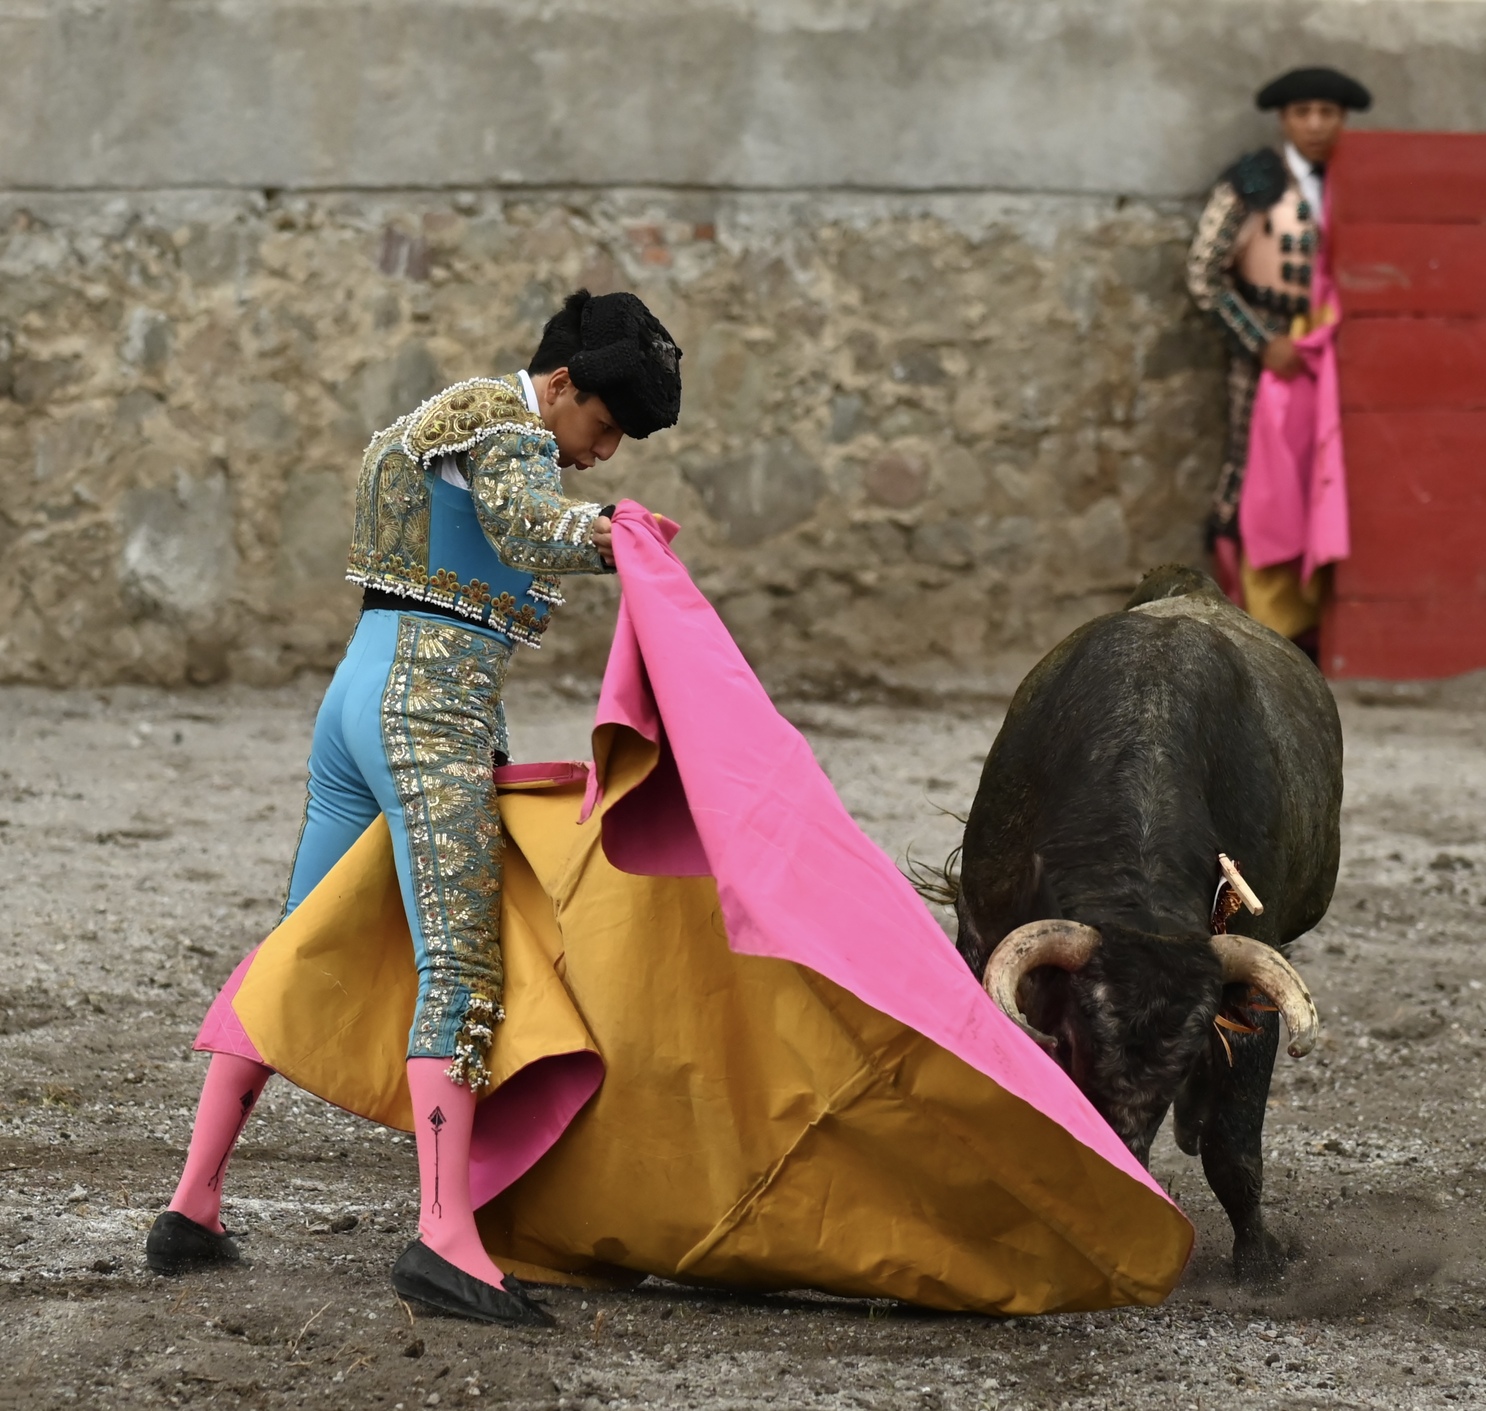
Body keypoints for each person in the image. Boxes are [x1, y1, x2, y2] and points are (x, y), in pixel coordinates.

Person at [145, 289, 683, 1325]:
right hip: (428, 708)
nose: (604, 450)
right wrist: (620, 535)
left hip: (355, 694)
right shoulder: (513, 428)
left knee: (299, 941)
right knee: (462, 965)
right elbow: (526, 526)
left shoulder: (439, 415)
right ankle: (442, 1236)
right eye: (604, 423)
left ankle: (193, 1202)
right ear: (560, 385)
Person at [1186, 66, 1371, 657]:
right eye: (1303, 112)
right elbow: (1203, 274)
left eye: (1328, 113)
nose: (1316, 124)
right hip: (1268, 347)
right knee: (1249, 471)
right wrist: (1261, 341)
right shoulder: (1252, 181)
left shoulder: (1359, 179)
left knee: (1330, 474)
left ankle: (1318, 626)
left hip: (1340, 350)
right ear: (1283, 120)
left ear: (1343, 119)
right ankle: (1244, 617)